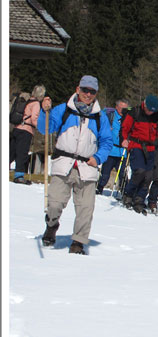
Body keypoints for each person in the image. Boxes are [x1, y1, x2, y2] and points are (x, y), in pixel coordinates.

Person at [37, 75, 113, 254]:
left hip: (87, 167)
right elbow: (44, 128)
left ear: (96, 94)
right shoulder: (63, 110)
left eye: (92, 91)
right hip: (63, 164)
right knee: (54, 204)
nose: (88, 94)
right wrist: (43, 111)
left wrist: (98, 157)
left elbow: (107, 142)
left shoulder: (99, 117)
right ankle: (52, 224)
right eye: (85, 90)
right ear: (78, 89)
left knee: (85, 209)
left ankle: (78, 241)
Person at [120, 94, 158, 214]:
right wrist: (123, 139)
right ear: (144, 104)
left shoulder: (157, 117)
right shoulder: (135, 112)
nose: (150, 112)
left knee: (148, 176)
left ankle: (139, 199)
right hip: (136, 145)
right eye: (149, 109)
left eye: (153, 111)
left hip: (151, 148)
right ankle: (128, 194)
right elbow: (125, 128)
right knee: (139, 171)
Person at [9, 85, 46, 184]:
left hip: (17, 128)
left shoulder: (27, 100)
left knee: (11, 151)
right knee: (22, 153)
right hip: (26, 130)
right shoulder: (36, 104)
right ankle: (19, 176)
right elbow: (34, 118)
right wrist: (41, 127)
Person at [95, 98, 130, 195]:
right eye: (121, 108)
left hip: (123, 151)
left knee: (123, 174)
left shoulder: (129, 118)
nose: (123, 110)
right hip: (110, 150)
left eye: (125, 108)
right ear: (116, 107)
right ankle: (99, 188)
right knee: (105, 172)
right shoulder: (109, 115)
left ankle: (125, 192)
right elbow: (97, 117)